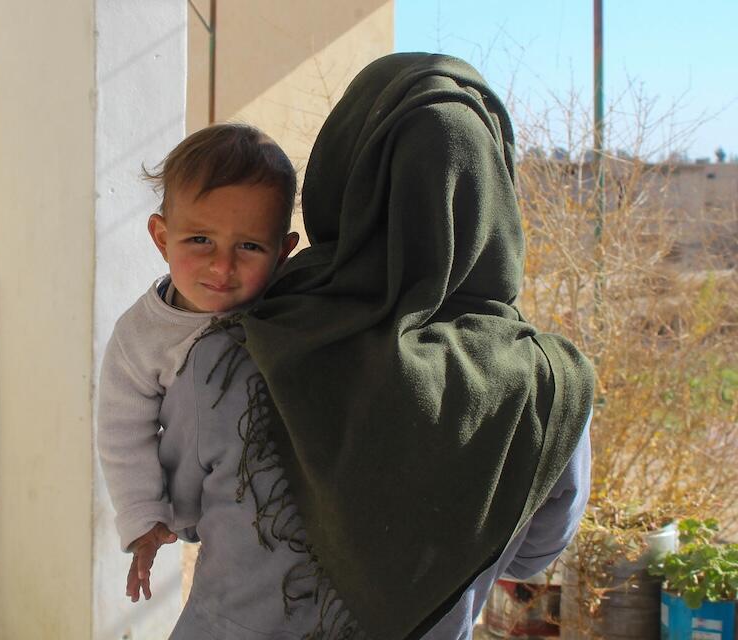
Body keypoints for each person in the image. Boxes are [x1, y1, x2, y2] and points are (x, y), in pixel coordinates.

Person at [151, 53, 596, 639]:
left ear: (341, 179)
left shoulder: (235, 348)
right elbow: (532, 554)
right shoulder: (545, 386)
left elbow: (184, 515)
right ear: (491, 195)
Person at [96, 123, 300, 602]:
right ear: (162, 237)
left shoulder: (289, 311)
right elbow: (123, 432)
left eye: (249, 246)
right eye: (200, 241)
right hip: (198, 503)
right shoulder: (140, 336)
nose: (222, 267)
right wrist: (146, 521)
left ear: (283, 253)